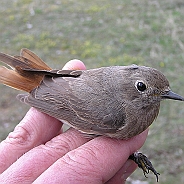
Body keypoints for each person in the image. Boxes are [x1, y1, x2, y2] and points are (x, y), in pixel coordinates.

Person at [0, 60, 148, 184]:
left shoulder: (135, 106)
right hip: (60, 95)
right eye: (142, 87)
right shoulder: (116, 115)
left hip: (69, 84)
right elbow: (69, 106)